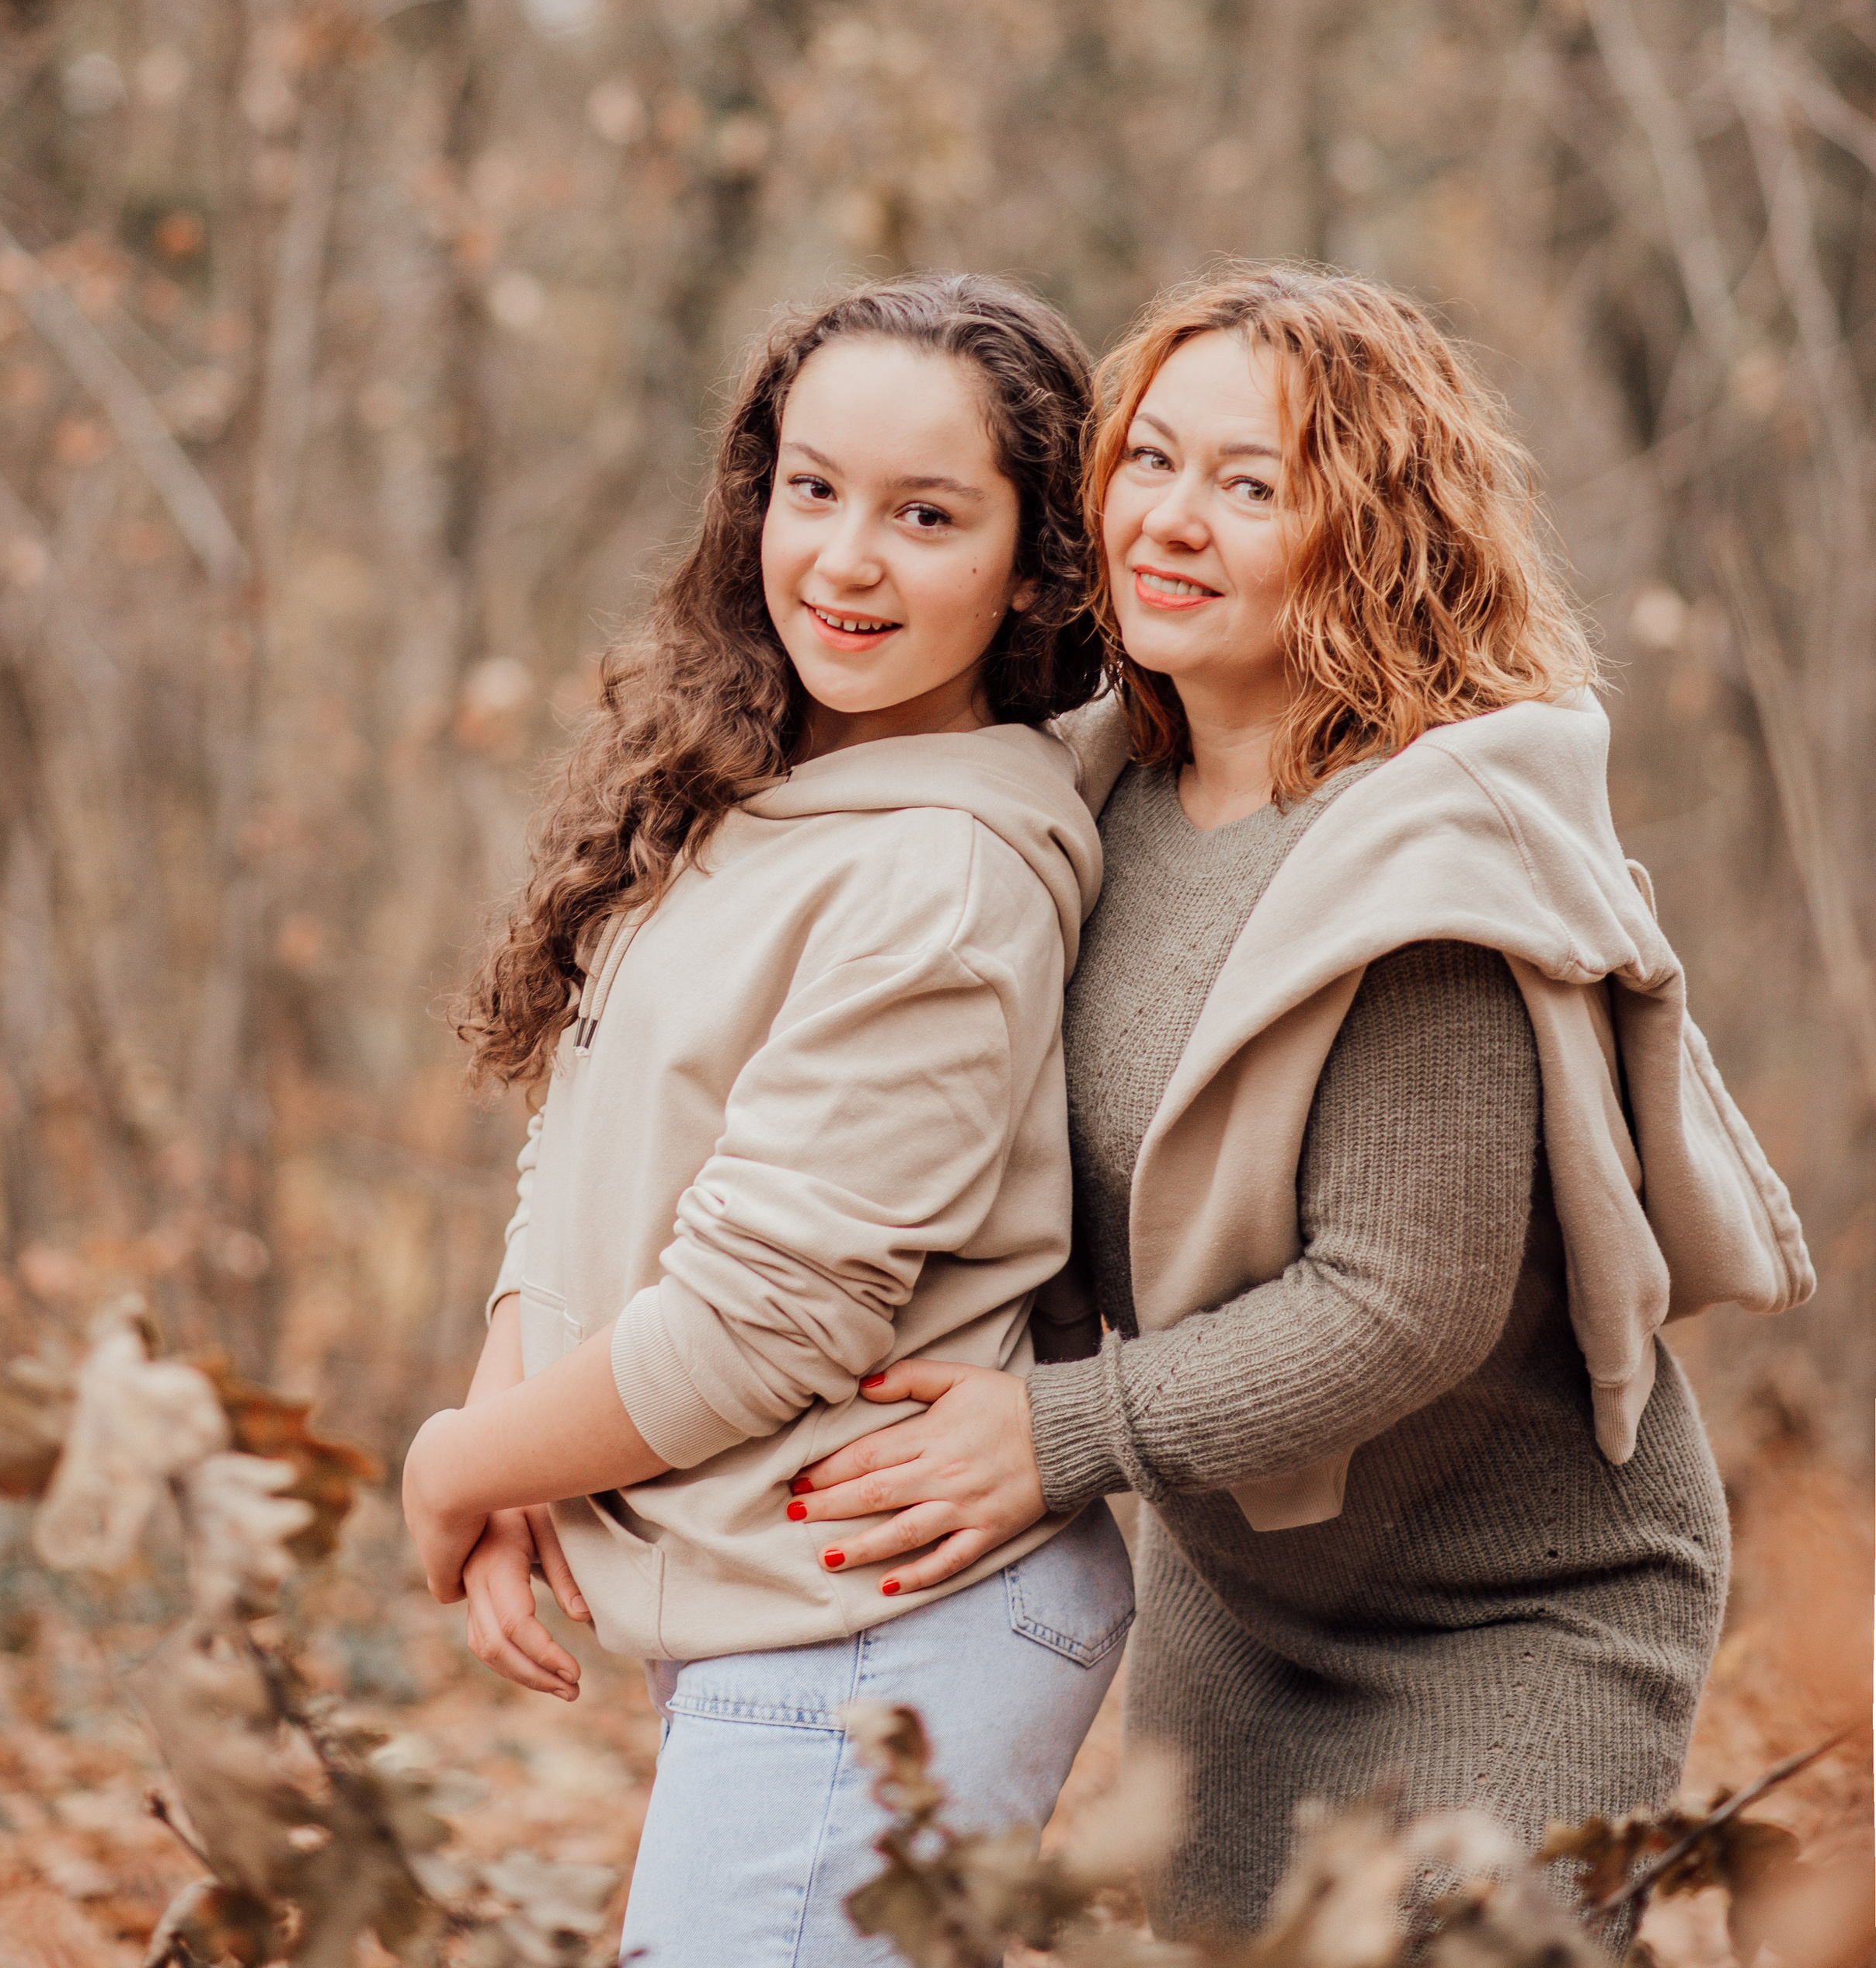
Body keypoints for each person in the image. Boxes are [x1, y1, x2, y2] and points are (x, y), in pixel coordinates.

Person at [789, 266, 1814, 1942]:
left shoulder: (1422, 856)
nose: (1172, 521)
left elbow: (1397, 1303)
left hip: (1519, 1612)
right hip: (1242, 1598)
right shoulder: (1090, 798)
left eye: (1251, 486)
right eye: (1151, 460)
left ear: (1374, 532)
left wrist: (1052, 1438)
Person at [399, 274, 1135, 1966]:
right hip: (783, 1613)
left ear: (1034, 565)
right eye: (811, 489)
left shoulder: (942, 874)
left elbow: (755, 1324)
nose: (845, 558)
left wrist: (453, 1467)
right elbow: (580, 1131)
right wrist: (511, 1423)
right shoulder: (772, 793)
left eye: (924, 514)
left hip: (880, 1632)